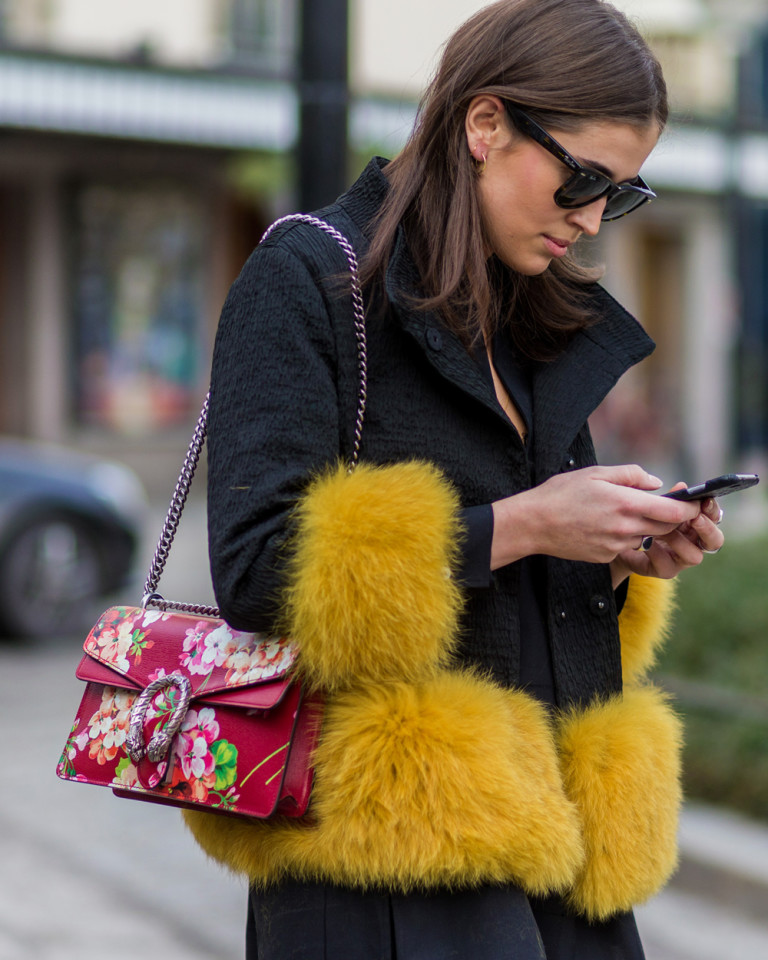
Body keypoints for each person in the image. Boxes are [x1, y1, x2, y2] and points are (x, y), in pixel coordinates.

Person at [184, 1, 725, 957]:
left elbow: (503, 583)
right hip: (382, 862)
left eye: (622, 194)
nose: (593, 217)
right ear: (485, 125)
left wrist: (612, 556)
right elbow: (258, 570)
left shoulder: (532, 318)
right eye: (583, 178)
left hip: (558, 852)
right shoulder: (311, 279)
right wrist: (526, 523)